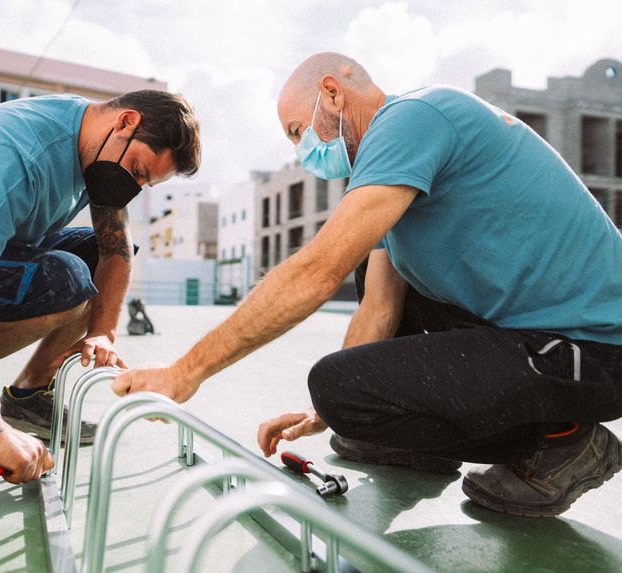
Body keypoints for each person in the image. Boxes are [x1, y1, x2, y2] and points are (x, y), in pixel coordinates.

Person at [113, 52, 622, 517]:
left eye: (298, 131)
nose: (302, 151)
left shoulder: (414, 118)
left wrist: (187, 371)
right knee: (349, 375)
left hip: (594, 349)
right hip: (534, 336)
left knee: (338, 384)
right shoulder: (394, 176)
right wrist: (328, 416)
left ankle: (565, 439)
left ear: (333, 93)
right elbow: (379, 308)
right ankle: (420, 442)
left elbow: (318, 271)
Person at [0, 90, 201, 484]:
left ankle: (28, 395)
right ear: (126, 122)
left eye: (144, 183)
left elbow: (116, 252)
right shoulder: (16, 149)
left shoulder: (97, 146)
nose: (133, 185)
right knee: (68, 279)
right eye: (138, 170)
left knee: (89, 264)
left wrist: (102, 334)